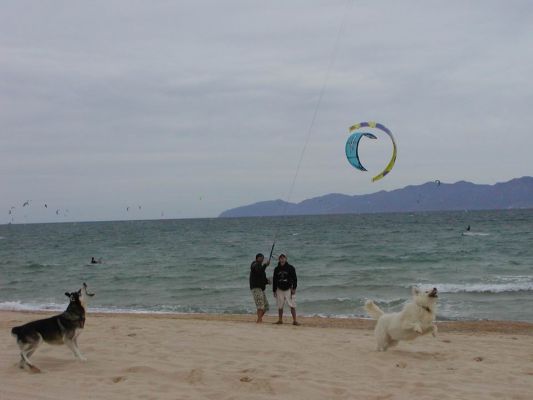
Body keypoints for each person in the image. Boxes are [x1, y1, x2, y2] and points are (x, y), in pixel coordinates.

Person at [272, 253, 299, 325]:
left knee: (292, 305)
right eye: (281, 258)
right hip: (279, 289)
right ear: (279, 259)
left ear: (286, 259)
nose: (282, 259)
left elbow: (295, 279)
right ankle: (280, 320)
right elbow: (274, 280)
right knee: (280, 306)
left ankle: (295, 320)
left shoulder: (291, 267)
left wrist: (294, 288)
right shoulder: (276, 269)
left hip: (289, 289)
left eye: (283, 258)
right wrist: (274, 290)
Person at [249, 253, 270, 323]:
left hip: (261, 288)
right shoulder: (254, 264)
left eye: (262, 258)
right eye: (260, 257)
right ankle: (259, 320)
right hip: (256, 288)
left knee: (266, 306)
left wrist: (267, 281)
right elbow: (258, 271)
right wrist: (265, 265)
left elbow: (261, 277)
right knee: (260, 305)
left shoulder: (261, 267)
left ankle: (259, 319)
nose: (262, 259)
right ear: (256, 258)